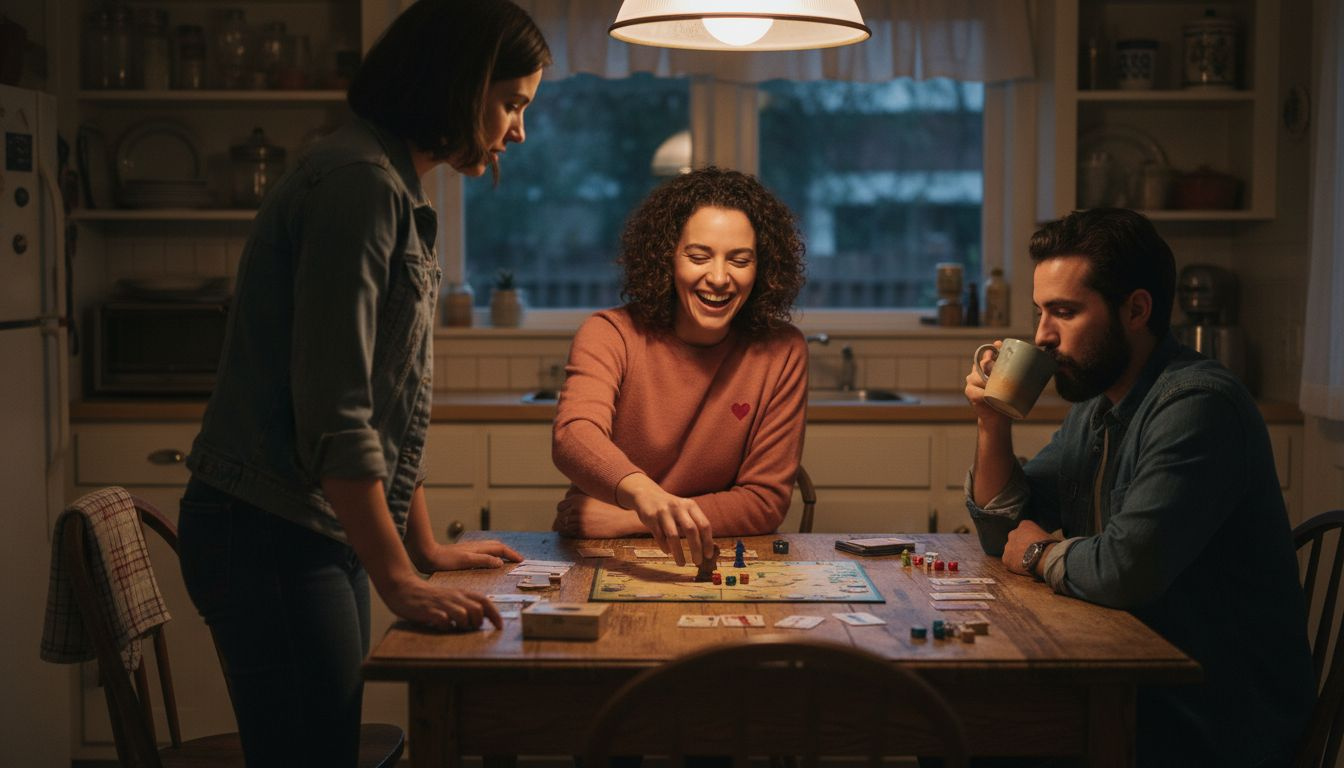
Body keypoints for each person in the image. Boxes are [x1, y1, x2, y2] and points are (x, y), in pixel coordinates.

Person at [175, 2, 550, 765]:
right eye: (512, 103)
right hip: (269, 532)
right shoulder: (360, 185)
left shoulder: (386, 182)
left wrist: (423, 552)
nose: (517, 130)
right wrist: (400, 581)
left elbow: (378, 418)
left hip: (302, 526)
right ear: (460, 83)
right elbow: (336, 411)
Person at [963, 208, 1314, 767]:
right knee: (957, 723)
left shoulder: (1197, 406)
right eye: (1040, 312)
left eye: (1065, 312)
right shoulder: (1101, 402)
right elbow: (1001, 528)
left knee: (962, 735)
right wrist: (993, 420)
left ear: (1136, 309)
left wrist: (1037, 551)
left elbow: (1122, 568)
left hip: (1213, 714)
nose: (1041, 336)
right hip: (1130, 678)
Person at [551, 167, 809, 566]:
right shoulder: (609, 333)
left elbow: (764, 502)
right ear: (666, 257)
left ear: (763, 269)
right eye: (699, 256)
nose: (720, 278)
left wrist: (630, 518)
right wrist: (644, 496)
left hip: (709, 557)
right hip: (602, 556)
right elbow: (574, 435)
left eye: (739, 260)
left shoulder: (782, 351)